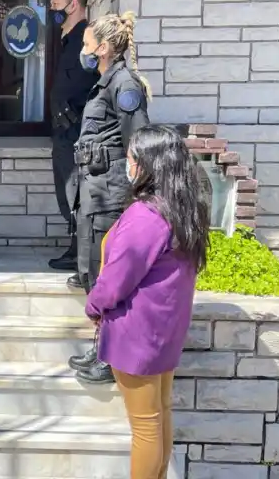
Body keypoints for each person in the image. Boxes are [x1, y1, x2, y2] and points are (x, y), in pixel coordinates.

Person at [77, 124, 210, 479]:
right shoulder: (181, 210)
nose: (127, 164)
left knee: (146, 426)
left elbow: (118, 277)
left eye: (132, 158)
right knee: (159, 415)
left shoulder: (146, 215)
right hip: (163, 330)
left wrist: (94, 305)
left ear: (149, 165)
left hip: (138, 332)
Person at [65, 11, 151, 381]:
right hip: (93, 190)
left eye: (86, 45)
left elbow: (139, 143)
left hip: (112, 192)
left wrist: (138, 195)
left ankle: (110, 356)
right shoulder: (104, 82)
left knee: (107, 272)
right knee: (90, 268)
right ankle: (101, 346)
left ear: (102, 48)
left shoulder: (124, 85)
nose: (82, 51)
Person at [47, 0, 99, 271]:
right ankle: (75, 248)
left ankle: (81, 255)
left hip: (77, 132)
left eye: (55, 5)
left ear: (73, 6)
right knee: (68, 194)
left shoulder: (86, 41)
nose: (52, 10)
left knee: (75, 193)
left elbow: (91, 87)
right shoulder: (70, 40)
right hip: (65, 131)